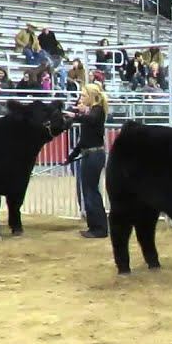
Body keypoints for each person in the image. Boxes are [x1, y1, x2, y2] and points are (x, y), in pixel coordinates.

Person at [65, 83, 109, 238]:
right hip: (89, 154)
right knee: (88, 190)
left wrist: (76, 115)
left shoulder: (98, 110)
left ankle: (100, 228)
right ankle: (94, 226)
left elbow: (90, 119)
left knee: (91, 191)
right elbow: (84, 139)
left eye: (84, 95)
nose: (81, 98)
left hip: (94, 155)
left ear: (91, 96)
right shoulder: (92, 112)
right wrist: (72, 155)